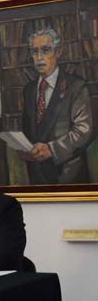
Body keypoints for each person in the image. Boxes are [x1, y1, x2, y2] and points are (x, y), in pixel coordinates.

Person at [20, 28, 93, 184]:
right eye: (34, 52)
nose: (39, 58)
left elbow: (83, 130)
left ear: (58, 52)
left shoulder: (76, 87)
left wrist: (51, 149)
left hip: (68, 175)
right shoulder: (29, 90)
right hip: (37, 176)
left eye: (46, 50)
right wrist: (24, 149)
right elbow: (28, 129)